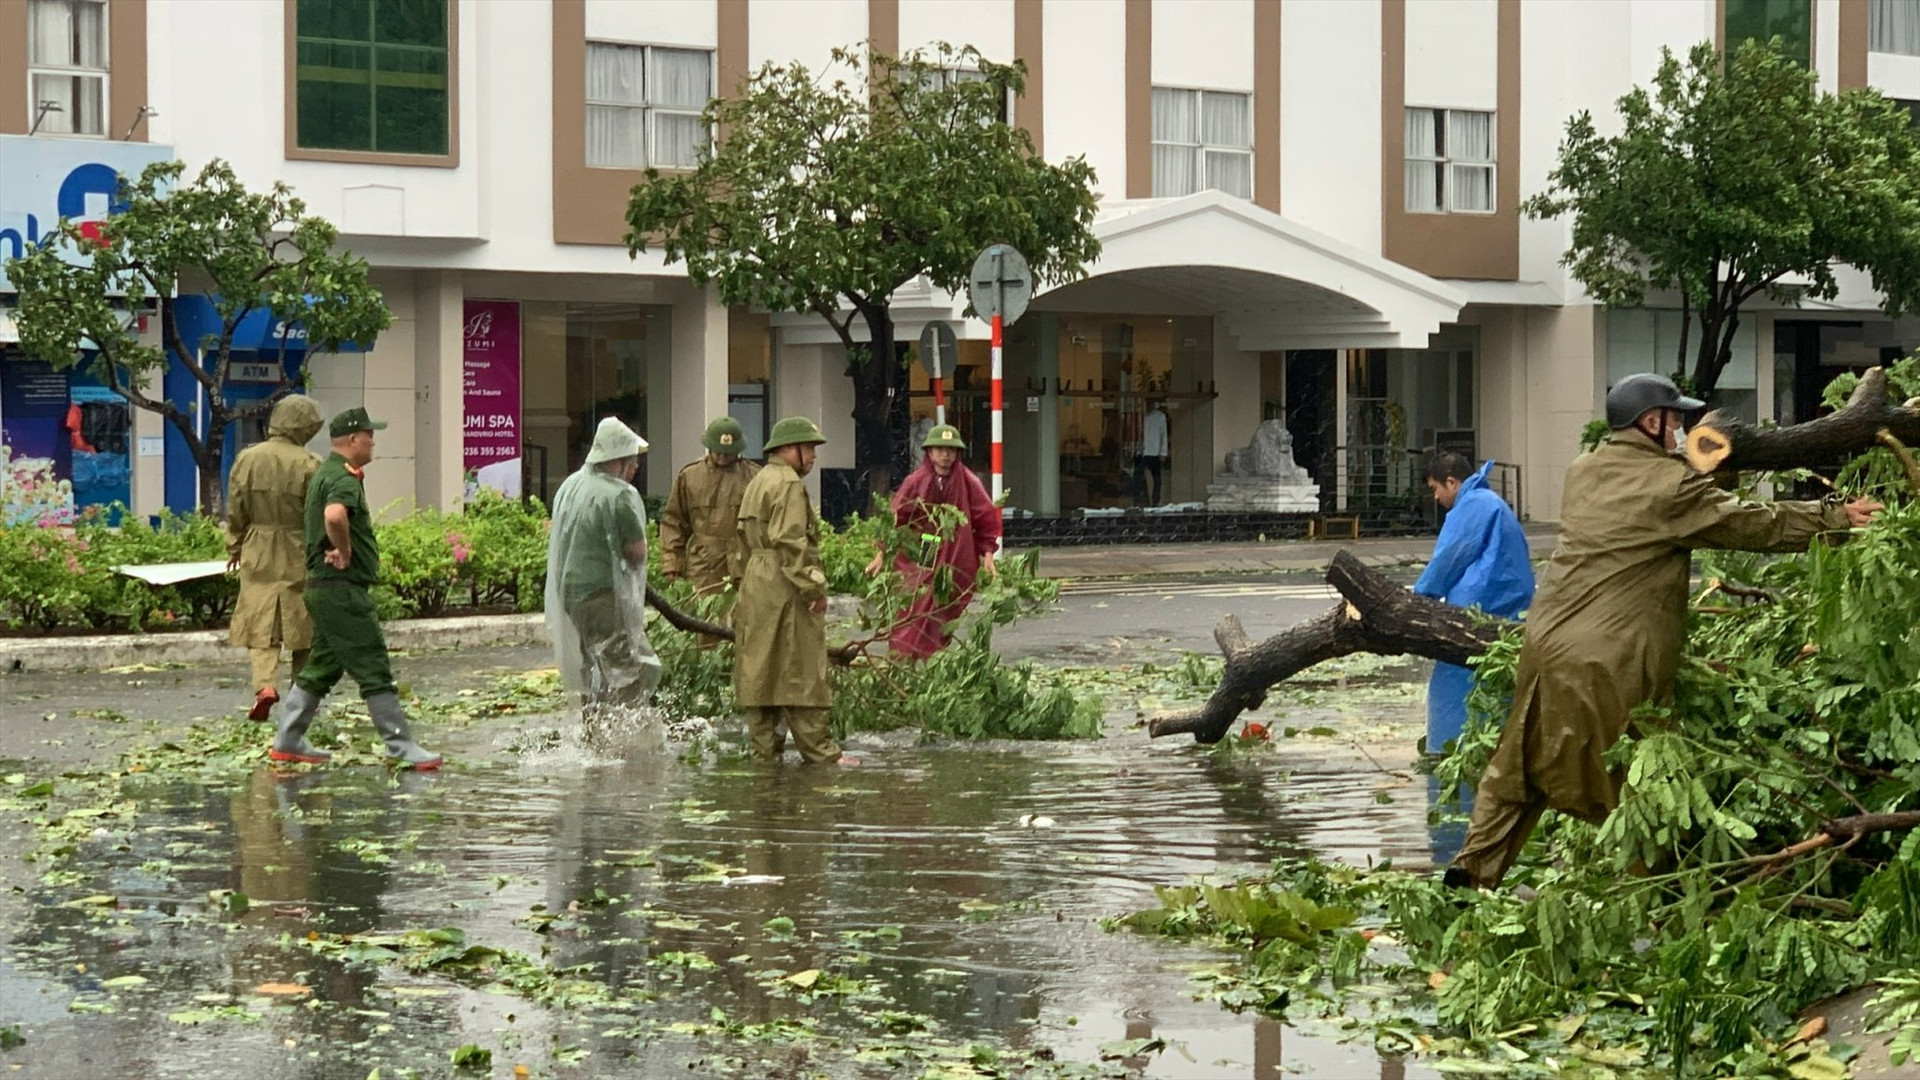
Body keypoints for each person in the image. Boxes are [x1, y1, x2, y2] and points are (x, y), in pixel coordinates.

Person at [1445, 374, 1881, 890]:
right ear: (1651, 423)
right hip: (1613, 660)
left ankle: (1468, 878)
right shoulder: (1672, 487)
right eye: (1675, 422)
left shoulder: (1582, 471)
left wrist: (1702, 453)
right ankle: (1660, 904)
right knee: (1638, 788)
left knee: (1518, 767)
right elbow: (1754, 524)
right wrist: (1834, 516)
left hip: (1546, 646)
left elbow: (1664, 481)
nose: (1681, 432)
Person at [270, 407, 442, 770]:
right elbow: (335, 515)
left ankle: (288, 739)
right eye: (369, 435)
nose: (373, 441)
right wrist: (345, 553)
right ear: (352, 440)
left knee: (322, 666)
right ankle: (400, 746)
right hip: (341, 589)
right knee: (372, 663)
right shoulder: (342, 477)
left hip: (325, 589)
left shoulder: (327, 472)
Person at [732, 415, 846, 764]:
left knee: (760, 671)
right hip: (784, 585)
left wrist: (743, 589)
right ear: (788, 448)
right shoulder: (789, 484)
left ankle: (764, 757)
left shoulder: (758, 481)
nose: (813, 456)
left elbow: (740, 545)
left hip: (756, 581)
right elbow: (791, 542)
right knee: (801, 668)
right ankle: (822, 754)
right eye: (809, 447)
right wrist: (814, 589)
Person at [1413, 452, 1534, 753]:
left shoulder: (1472, 507)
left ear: (1451, 482)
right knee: (1497, 687)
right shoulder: (1491, 503)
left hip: (1479, 611)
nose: (1436, 496)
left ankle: (1452, 747)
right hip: (1507, 609)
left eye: (1436, 488)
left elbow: (1448, 559)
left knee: (1454, 688)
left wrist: (1417, 601)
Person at [545, 417, 662, 727]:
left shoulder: (571, 485)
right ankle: (622, 738)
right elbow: (636, 552)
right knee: (627, 669)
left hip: (571, 595)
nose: (636, 467)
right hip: (603, 595)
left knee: (592, 666)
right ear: (618, 460)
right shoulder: (619, 496)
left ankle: (591, 731)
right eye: (632, 460)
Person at [863, 423, 1003, 659]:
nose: (945, 455)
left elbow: (985, 516)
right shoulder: (916, 482)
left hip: (958, 551)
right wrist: (882, 552)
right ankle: (906, 654)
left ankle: (934, 654)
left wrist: (987, 553)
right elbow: (898, 519)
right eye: (940, 449)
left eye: (950, 450)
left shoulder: (969, 482)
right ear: (929, 452)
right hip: (927, 545)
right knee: (919, 598)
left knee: (945, 606)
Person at [225, 394, 324, 721]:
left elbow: (236, 505)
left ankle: (264, 685)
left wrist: (235, 544)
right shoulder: (311, 463)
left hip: (258, 544)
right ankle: (301, 695)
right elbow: (319, 512)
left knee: (260, 620)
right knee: (303, 623)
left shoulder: (247, 458)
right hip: (299, 545)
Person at [659, 416, 760, 597]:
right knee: (704, 617)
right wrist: (672, 562)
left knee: (744, 617)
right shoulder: (690, 477)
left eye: (728, 453)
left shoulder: (754, 477)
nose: (722, 457)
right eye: (717, 452)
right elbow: (673, 521)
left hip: (743, 561)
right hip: (703, 564)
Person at [1137, 400, 1169, 506]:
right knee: (1139, 478)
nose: (1148, 405)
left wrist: (1163, 452)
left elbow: (1163, 435)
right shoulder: (1141, 416)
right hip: (1142, 452)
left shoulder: (1160, 416)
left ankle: (1155, 500)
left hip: (1154, 453)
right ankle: (1141, 501)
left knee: (1157, 480)